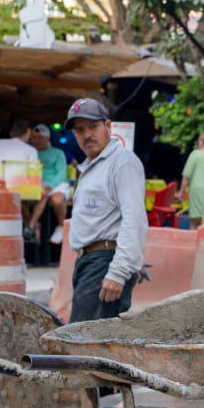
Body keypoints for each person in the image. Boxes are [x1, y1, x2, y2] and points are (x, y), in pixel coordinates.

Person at [64, 98, 148, 323]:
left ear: (108, 127)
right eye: (79, 129)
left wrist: (118, 273)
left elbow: (135, 219)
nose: (87, 134)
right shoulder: (91, 166)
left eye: (93, 126)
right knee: (86, 343)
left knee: (81, 345)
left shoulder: (122, 162)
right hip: (89, 263)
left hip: (105, 262)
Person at [26, 124, 71, 245]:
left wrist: (49, 186)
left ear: (47, 138)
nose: (36, 140)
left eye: (40, 137)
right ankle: (30, 227)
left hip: (57, 184)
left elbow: (61, 173)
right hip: (38, 185)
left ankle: (61, 226)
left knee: (57, 200)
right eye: (34, 137)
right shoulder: (30, 152)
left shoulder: (57, 153)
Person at [177, 130, 204, 228]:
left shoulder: (195, 154)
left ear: (202, 141)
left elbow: (186, 176)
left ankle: (193, 241)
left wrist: (181, 192)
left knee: (195, 221)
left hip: (196, 191)